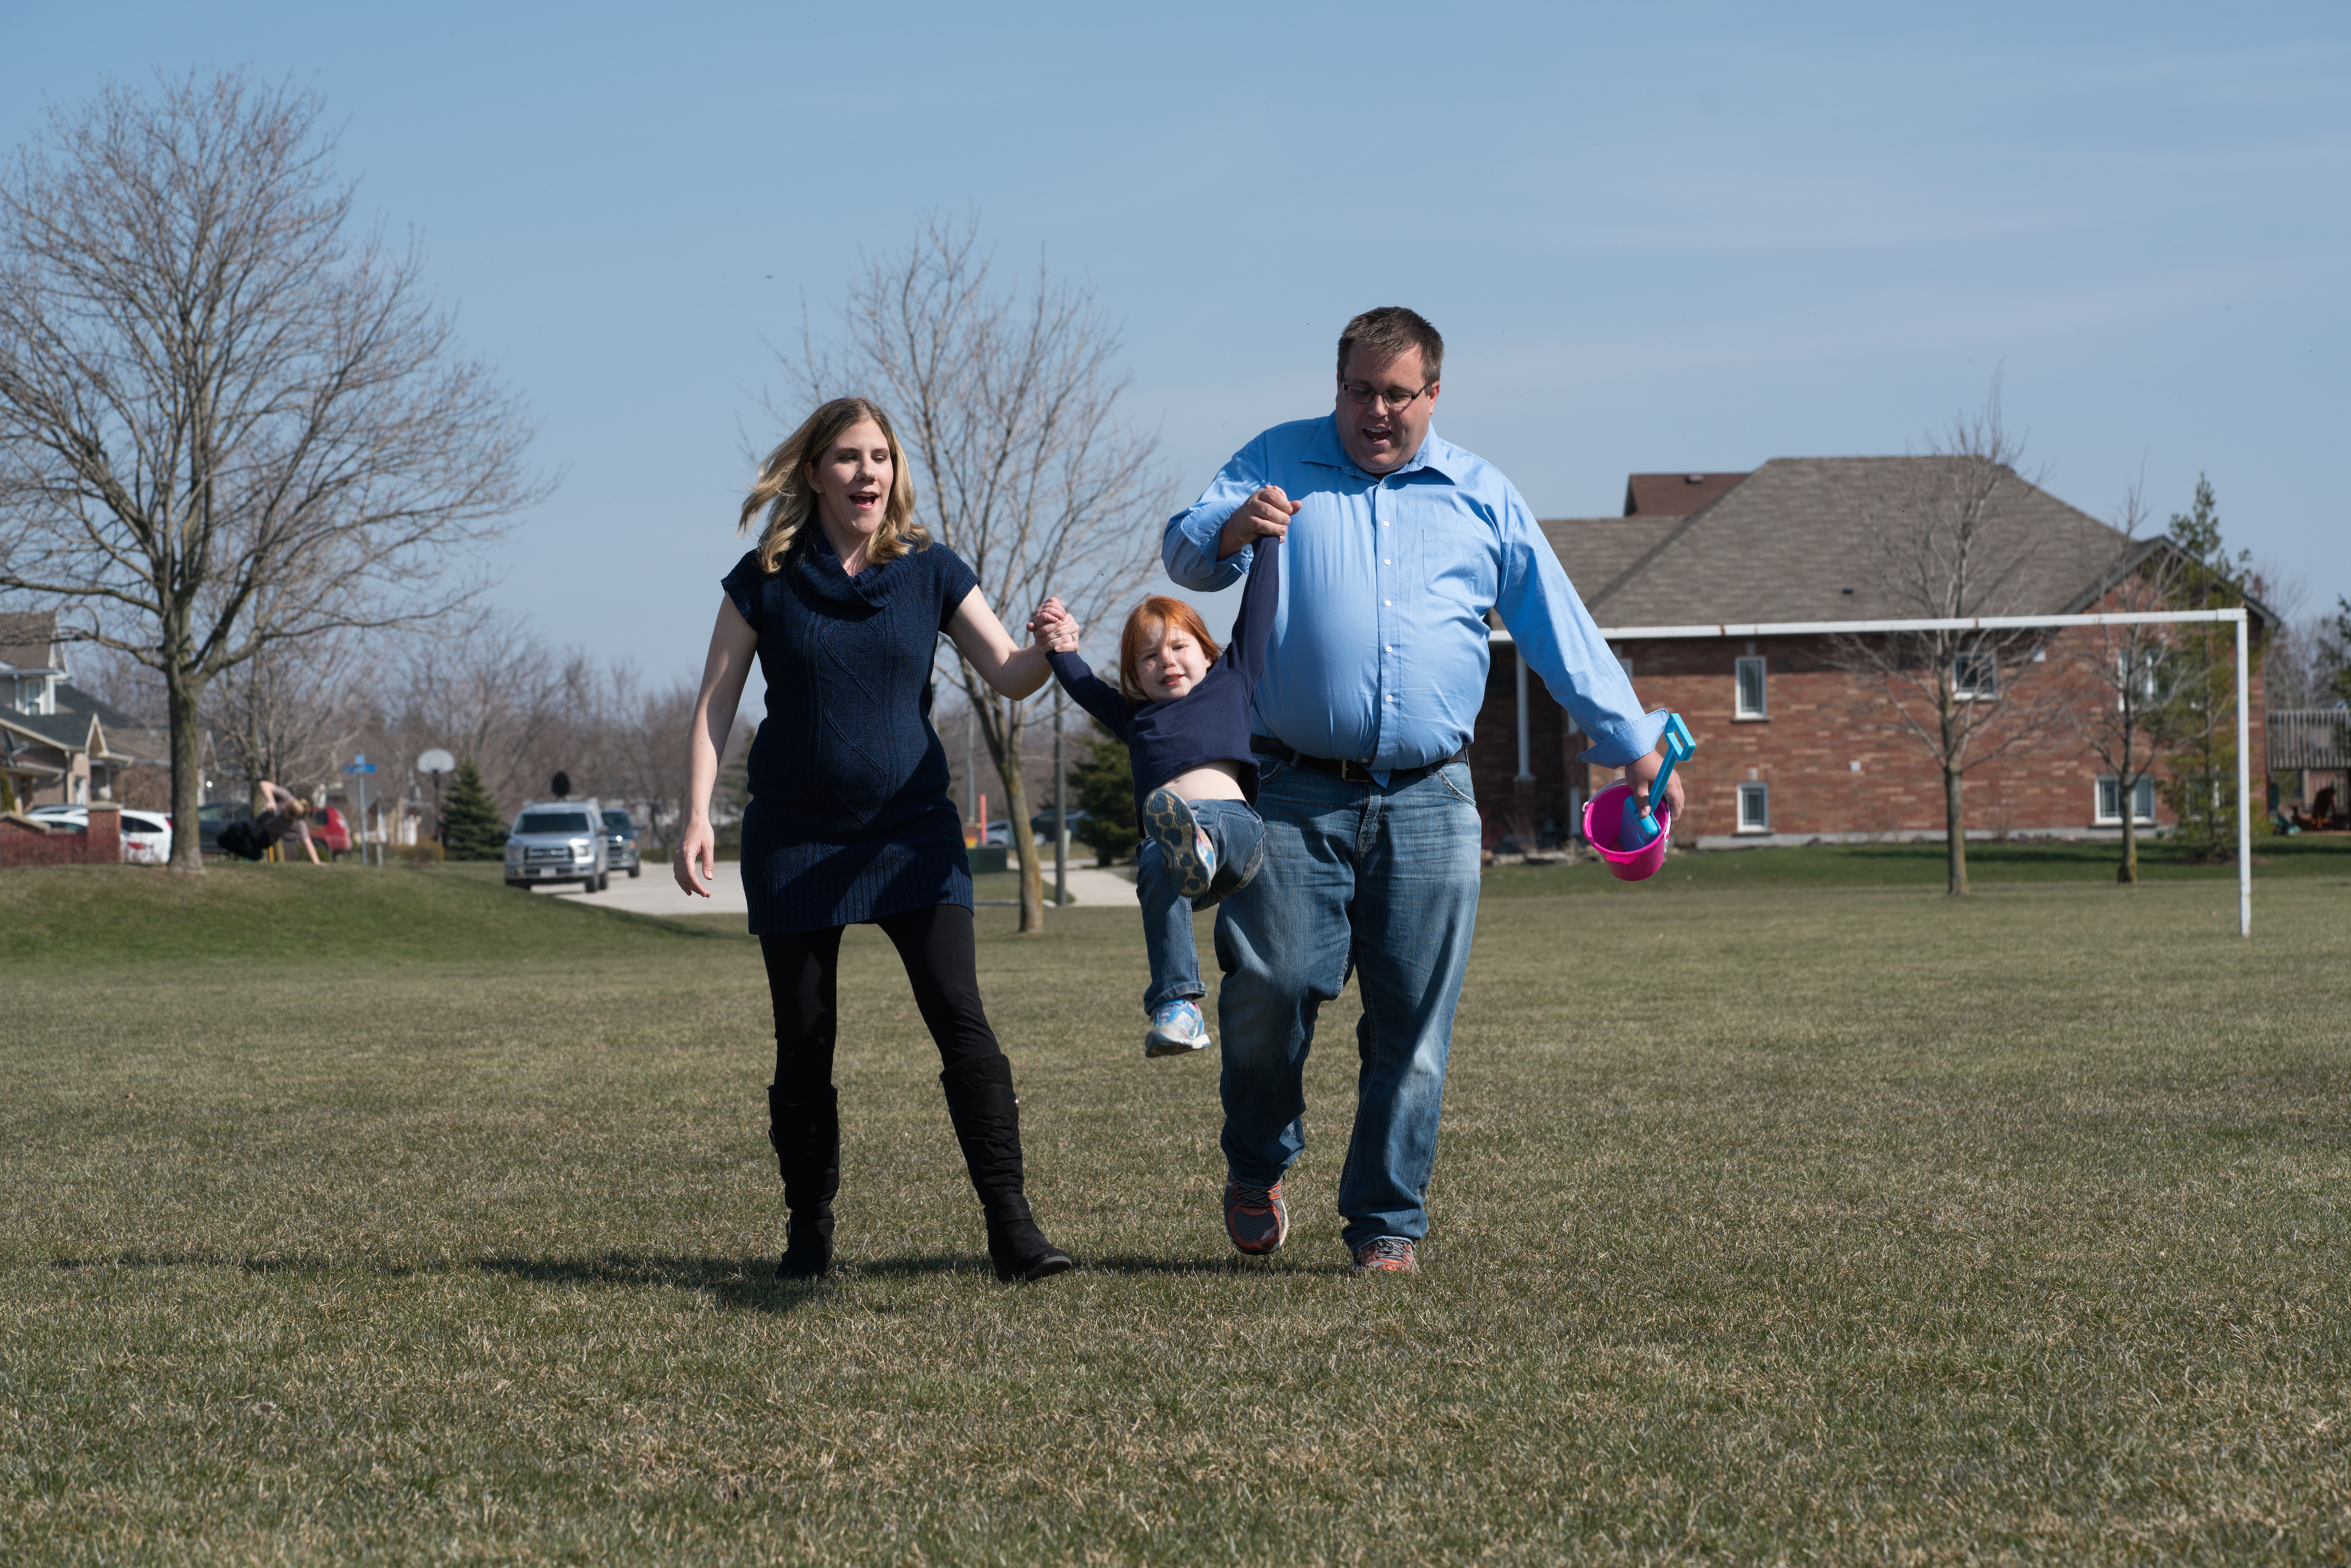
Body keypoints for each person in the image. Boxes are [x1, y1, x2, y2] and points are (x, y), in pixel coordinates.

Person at [1161, 307, 1686, 1275]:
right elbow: (1187, 553)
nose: (1375, 411)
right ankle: (1257, 1162)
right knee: (1269, 992)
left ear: (1432, 395)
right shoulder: (1277, 460)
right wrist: (1234, 525)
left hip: (1431, 796)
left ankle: (1384, 1224)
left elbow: (1556, 628)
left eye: (1397, 393)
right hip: (1288, 787)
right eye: (1359, 390)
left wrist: (1635, 744)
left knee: (1414, 1026)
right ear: (1338, 386)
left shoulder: (1482, 495)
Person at [675, 396, 1078, 1284]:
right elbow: (715, 705)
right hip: (795, 838)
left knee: (961, 1023)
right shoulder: (765, 579)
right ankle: (808, 1231)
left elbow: (1008, 675)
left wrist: (1051, 647)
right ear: (814, 470)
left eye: (882, 457)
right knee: (805, 1040)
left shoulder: (929, 569)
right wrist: (698, 814)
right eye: (851, 457)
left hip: (911, 834)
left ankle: (1013, 1230)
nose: (869, 473)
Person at [1034, 533, 1280, 1058]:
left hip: (1237, 833)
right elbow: (1080, 680)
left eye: (1177, 646)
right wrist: (1057, 641)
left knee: (1176, 833)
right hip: (1174, 848)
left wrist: (1268, 542)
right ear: (1135, 677)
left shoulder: (1231, 680)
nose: (1165, 661)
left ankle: (1198, 844)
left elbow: (1257, 611)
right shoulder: (1135, 716)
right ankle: (1179, 1007)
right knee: (1154, 858)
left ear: (1207, 652)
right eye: (1148, 657)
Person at [216, 780, 320, 864]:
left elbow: (307, 842)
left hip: (265, 838)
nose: (284, 814)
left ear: (294, 818)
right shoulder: (286, 797)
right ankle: (255, 855)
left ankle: (256, 855)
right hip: (256, 826)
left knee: (235, 827)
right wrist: (271, 800)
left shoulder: (299, 824)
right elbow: (264, 784)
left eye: (288, 816)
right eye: (285, 810)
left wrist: (317, 862)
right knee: (222, 840)